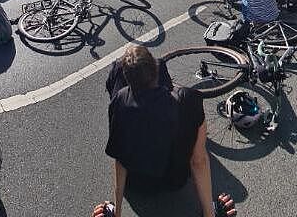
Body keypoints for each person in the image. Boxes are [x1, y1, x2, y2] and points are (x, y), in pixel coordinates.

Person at [95, 44, 236, 217]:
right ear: (155, 71)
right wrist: (209, 214)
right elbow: (198, 161)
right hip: (174, 180)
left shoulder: (119, 101)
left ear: (127, 79)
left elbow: (120, 158)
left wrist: (116, 211)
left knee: (116, 68)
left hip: (136, 184)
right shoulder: (187, 98)